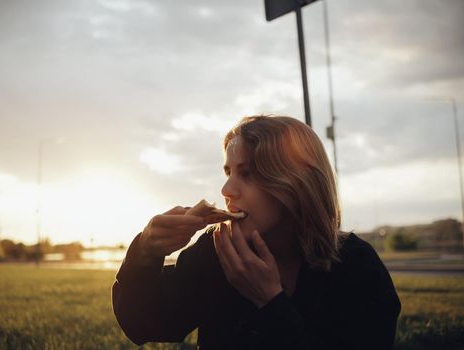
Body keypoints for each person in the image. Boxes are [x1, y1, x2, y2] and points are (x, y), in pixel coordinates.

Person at [112, 115, 401, 349]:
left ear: (294, 183)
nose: (226, 190)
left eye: (247, 174)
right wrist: (145, 251)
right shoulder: (217, 250)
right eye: (228, 173)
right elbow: (142, 323)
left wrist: (271, 303)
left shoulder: (357, 266)